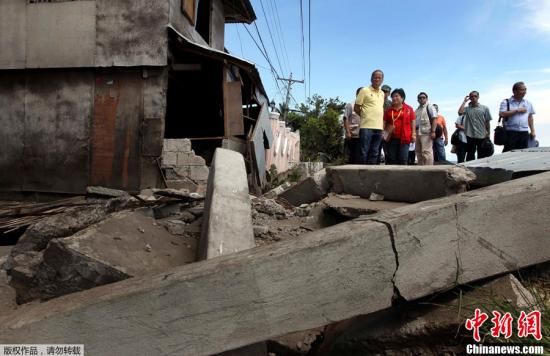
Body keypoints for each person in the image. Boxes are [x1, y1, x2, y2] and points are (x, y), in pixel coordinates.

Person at [355, 70, 385, 164]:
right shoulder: (364, 90)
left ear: (382, 80)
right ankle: (362, 174)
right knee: (363, 151)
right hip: (366, 126)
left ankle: (370, 174)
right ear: (371, 78)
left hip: (379, 127)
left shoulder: (382, 93)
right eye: (375, 77)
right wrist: (365, 116)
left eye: (379, 78)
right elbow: (356, 107)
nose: (377, 79)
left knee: (375, 152)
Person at [499, 82, 536, 152]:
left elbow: (530, 118)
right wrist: (517, 110)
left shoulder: (528, 103)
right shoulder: (506, 102)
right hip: (510, 132)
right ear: (514, 91)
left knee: (523, 153)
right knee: (508, 152)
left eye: (525, 90)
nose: (524, 92)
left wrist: (533, 131)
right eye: (522, 90)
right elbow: (502, 114)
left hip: (524, 132)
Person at [383, 88, 416, 165]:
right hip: (391, 138)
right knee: (391, 158)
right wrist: (383, 134)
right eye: (393, 97)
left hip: (405, 137)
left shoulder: (409, 109)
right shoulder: (388, 110)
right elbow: (384, 122)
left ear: (402, 98)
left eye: (396, 96)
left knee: (403, 158)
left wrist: (413, 134)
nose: (394, 98)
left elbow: (413, 121)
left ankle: (403, 176)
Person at [458, 91, 492, 161]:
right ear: (470, 98)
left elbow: (487, 121)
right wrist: (464, 101)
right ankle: (470, 169)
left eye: (475, 96)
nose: (474, 98)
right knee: (470, 154)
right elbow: (460, 112)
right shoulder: (467, 109)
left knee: (482, 154)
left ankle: (481, 169)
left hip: (481, 135)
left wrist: (488, 133)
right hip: (470, 135)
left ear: (478, 97)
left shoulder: (484, 108)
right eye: (472, 96)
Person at [414, 92, 438, 165]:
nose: (422, 99)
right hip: (418, 132)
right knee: (418, 151)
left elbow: (434, 119)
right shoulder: (417, 110)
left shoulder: (430, 107)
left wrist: (433, 131)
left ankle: (429, 169)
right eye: (420, 98)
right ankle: (421, 168)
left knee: (426, 152)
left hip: (426, 133)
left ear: (426, 99)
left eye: (423, 97)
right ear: (418, 100)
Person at [343, 87, 362, 164]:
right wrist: (347, 132)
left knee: (360, 159)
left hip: (363, 136)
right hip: (352, 136)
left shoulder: (366, 105)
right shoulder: (350, 105)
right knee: (351, 158)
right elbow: (345, 118)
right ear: (357, 94)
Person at [378, 84, 392, 164]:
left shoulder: (391, 103)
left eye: (386, 92)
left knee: (387, 149)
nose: (385, 93)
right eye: (383, 91)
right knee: (376, 148)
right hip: (376, 127)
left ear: (389, 93)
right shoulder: (376, 101)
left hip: (387, 129)